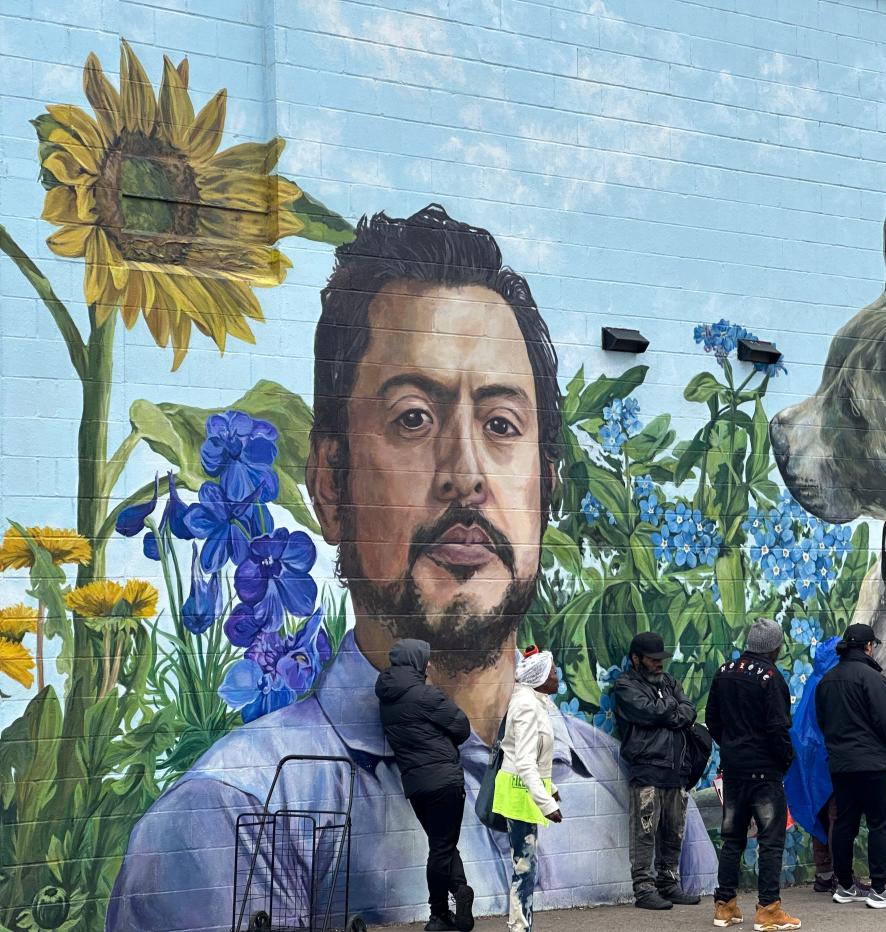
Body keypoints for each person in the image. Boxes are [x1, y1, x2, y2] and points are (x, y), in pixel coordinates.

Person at [107, 207, 716, 931]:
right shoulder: (231, 819)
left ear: (546, 489)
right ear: (331, 486)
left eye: (501, 425)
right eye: (413, 418)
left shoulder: (624, 789)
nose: (465, 475)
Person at [706, 618, 801, 931]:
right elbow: (778, 729)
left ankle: (725, 906)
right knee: (771, 841)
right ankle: (768, 909)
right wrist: (785, 760)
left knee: (732, 838)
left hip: (733, 771)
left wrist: (732, 749)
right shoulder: (771, 678)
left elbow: (713, 720)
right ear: (775, 648)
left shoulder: (723, 673)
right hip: (765, 775)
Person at [376, 639, 475, 931]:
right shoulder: (426, 695)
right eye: (426, 659)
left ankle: (460, 890)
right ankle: (439, 915)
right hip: (445, 780)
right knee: (441, 848)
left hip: (416, 785)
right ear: (416, 662)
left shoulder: (386, 699)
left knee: (441, 843)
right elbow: (462, 727)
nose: (429, 664)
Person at [816, 623, 886, 909]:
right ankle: (879, 889)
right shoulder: (872, 678)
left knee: (845, 823)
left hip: (842, 765)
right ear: (869, 647)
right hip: (873, 764)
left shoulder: (827, 680)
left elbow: (823, 723)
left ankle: (844, 886)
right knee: (879, 823)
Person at [613, 631, 701, 910]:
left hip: (676, 769)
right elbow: (648, 712)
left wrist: (668, 709)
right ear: (635, 659)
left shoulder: (669, 682)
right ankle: (644, 889)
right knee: (645, 832)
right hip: (647, 768)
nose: (658, 664)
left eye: (661, 659)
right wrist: (670, 709)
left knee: (673, 830)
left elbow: (689, 710)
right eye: (652, 660)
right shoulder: (625, 685)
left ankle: (668, 883)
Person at [494, 647, 564, 932]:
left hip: (525, 792)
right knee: (524, 868)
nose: (557, 674)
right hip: (518, 794)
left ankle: (520, 925)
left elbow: (536, 757)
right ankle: (519, 927)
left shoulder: (535, 701)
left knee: (525, 866)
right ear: (539, 677)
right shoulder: (525, 705)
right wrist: (548, 804)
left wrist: (552, 788)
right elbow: (523, 761)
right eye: (553, 670)